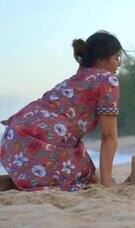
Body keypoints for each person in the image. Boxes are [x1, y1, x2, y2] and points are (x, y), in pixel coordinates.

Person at [0, 31, 123, 191]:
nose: (119, 64)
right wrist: (106, 187)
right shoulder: (108, 80)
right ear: (101, 59)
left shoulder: (79, 77)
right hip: (41, 144)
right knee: (85, 178)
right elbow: (109, 137)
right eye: (116, 58)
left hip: (15, 137)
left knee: (86, 172)